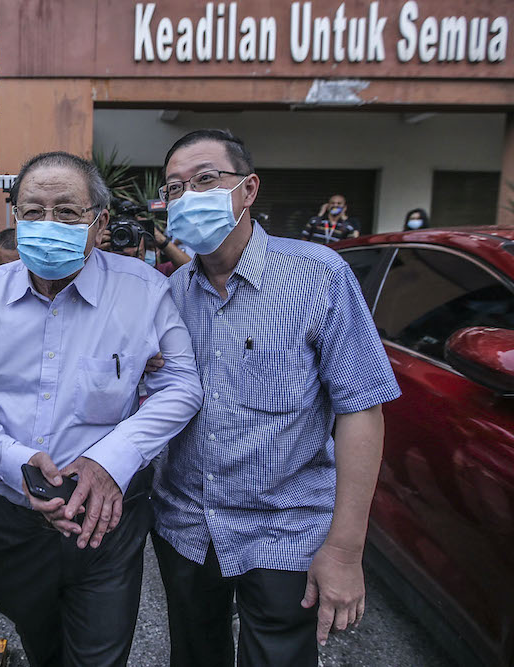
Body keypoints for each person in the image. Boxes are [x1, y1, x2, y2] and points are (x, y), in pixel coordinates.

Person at [0, 151, 203, 667]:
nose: (47, 225)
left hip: (108, 518)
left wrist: (110, 462)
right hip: (17, 513)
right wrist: (14, 461)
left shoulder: (144, 291)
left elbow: (181, 385)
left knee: (99, 653)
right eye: (32, 212)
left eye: (67, 213)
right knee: (34, 631)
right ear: (14, 218)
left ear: (99, 224)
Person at [153, 129, 401, 666]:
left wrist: (345, 550)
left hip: (285, 531)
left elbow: (362, 410)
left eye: (204, 179)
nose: (188, 196)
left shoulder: (319, 275)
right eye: (174, 188)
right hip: (187, 528)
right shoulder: (169, 294)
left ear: (248, 190)